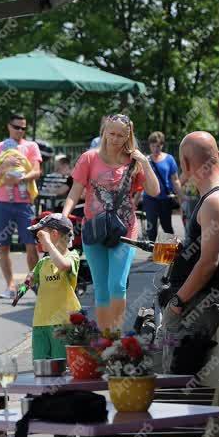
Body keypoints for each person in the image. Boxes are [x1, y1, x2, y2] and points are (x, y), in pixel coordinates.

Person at [63, 113, 160, 332]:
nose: (114, 139)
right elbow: (75, 191)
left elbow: (155, 190)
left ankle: (115, 334)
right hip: (94, 229)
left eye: (120, 135)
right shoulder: (89, 158)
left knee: (117, 284)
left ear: (128, 137)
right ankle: (105, 335)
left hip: (124, 230)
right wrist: (64, 217)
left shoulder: (134, 162)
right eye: (111, 133)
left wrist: (144, 161)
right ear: (104, 132)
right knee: (101, 288)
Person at [161, 131, 219, 374]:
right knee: (177, 379)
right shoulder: (216, 197)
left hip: (193, 307)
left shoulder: (215, 201)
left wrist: (176, 303)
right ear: (217, 155)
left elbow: (209, 263)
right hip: (193, 303)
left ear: (185, 163)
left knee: (177, 381)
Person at [0, 113, 42, 299]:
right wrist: (6, 164)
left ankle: (35, 285)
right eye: (17, 127)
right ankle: (10, 286)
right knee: (3, 246)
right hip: (3, 202)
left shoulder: (31, 146)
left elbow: (36, 171)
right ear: (9, 126)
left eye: (23, 128)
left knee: (31, 244)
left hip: (24, 203)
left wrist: (21, 177)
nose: (20, 131)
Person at [26, 214, 80, 360]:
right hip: (40, 321)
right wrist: (25, 285)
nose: (38, 241)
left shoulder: (72, 256)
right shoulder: (43, 262)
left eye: (41, 236)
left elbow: (62, 265)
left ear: (54, 234)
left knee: (61, 365)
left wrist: (48, 244)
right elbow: (29, 282)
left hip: (63, 322)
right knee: (40, 365)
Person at [142, 131, 183, 242]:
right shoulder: (146, 161)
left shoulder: (169, 159)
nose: (156, 148)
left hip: (165, 198)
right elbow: (141, 182)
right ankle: (152, 251)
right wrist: (135, 200)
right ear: (149, 145)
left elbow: (175, 180)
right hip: (149, 198)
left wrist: (181, 199)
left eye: (158, 145)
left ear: (162, 145)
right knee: (151, 227)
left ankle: (170, 250)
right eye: (153, 145)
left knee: (167, 226)